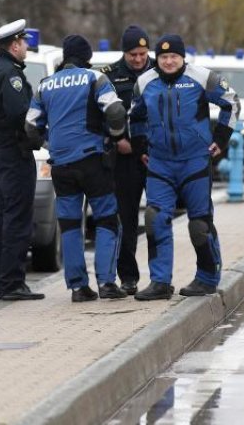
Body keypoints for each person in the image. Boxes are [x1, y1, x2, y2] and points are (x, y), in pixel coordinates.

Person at [129, 34, 240, 300]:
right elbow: (136, 116)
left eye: (174, 57)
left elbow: (232, 103)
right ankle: (159, 282)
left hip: (194, 162)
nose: (169, 62)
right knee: (155, 219)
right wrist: (140, 149)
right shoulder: (145, 82)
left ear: (182, 58)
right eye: (164, 57)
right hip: (160, 165)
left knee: (199, 224)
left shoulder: (202, 77)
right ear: (158, 58)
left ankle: (207, 277)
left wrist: (221, 140)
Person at [25, 34, 127, 302]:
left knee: (70, 225)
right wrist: (115, 137)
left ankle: (78, 288)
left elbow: (30, 129)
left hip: (61, 166)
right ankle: (106, 283)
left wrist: (50, 144)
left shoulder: (45, 85)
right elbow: (115, 111)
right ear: (87, 57)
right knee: (106, 220)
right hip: (93, 161)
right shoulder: (94, 79)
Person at [0, 18, 44, 301]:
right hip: (13, 152)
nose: (27, 47)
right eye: (24, 42)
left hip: (1, 150)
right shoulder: (10, 74)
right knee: (17, 218)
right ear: (14, 44)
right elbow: (22, 116)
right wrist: (41, 136)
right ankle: (13, 283)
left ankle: (3, 283)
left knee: (6, 218)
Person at [101, 25, 155, 295]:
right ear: (124, 53)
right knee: (126, 218)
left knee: (157, 217)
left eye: (143, 53)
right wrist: (117, 137)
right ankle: (129, 277)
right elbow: (103, 113)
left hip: (155, 155)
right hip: (124, 157)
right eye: (133, 54)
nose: (138, 59)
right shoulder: (109, 76)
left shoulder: (162, 69)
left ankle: (159, 276)